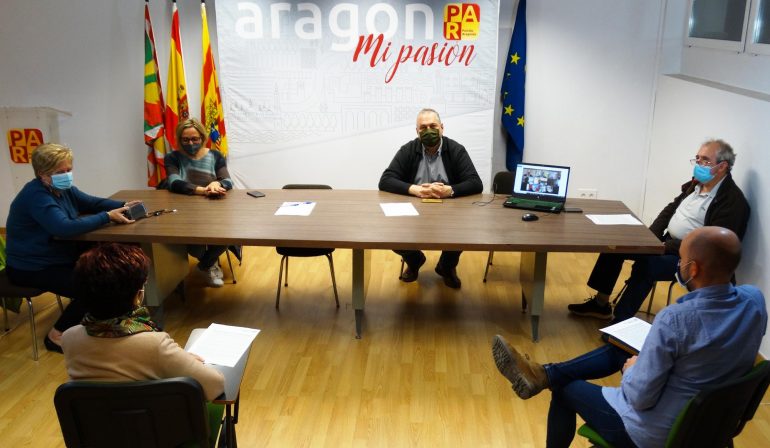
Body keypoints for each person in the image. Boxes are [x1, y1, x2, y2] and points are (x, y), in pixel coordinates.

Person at [492, 226, 766, 448]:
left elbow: (639, 398)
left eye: (681, 259)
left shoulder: (675, 319)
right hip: (712, 424)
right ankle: (544, 374)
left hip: (654, 433)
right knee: (619, 347)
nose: (678, 264)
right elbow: (715, 339)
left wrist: (633, 370)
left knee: (566, 389)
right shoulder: (755, 301)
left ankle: (548, 378)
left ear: (692, 269)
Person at [568, 139, 750, 323]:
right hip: (666, 243)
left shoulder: (732, 203)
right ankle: (600, 305)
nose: (699, 165)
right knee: (615, 245)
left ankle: (619, 323)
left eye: (705, 161)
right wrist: (650, 237)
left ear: (722, 166)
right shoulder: (697, 184)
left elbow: (712, 247)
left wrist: (665, 246)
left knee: (648, 265)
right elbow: (671, 209)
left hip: (692, 259)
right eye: (697, 159)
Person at [61, 243, 225, 443]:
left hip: (101, 437)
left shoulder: (69, 338)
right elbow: (215, 386)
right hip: (157, 436)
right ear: (138, 296)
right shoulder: (154, 344)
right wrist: (189, 362)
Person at [5, 143, 136, 353]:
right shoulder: (36, 196)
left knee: (111, 272)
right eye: (60, 172)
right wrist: (107, 216)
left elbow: (91, 203)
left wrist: (125, 204)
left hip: (55, 257)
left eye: (68, 170)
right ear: (42, 174)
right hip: (31, 267)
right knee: (95, 286)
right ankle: (56, 336)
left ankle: (98, 322)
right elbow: (63, 227)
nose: (67, 175)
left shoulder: (62, 189)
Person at [378, 108, 483, 288]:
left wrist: (449, 191)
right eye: (423, 127)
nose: (428, 131)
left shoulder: (456, 149)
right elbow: (386, 180)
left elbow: (475, 183)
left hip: (449, 209)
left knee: (461, 232)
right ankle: (415, 260)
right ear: (417, 131)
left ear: (442, 128)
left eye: (433, 126)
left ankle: (446, 267)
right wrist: (416, 190)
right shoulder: (409, 149)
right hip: (414, 209)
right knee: (391, 233)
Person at [165, 118, 234, 287]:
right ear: (179, 139)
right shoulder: (172, 157)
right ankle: (210, 262)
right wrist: (203, 190)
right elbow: (173, 182)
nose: (190, 143)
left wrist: (216, 183)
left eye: (195, 139)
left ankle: (205, 265)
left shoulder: (215, 155)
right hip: (184, 210)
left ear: (202, 137)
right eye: (185, 139)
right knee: (194, 246)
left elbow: (228, 181)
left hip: (214, 208)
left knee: (227, 235)